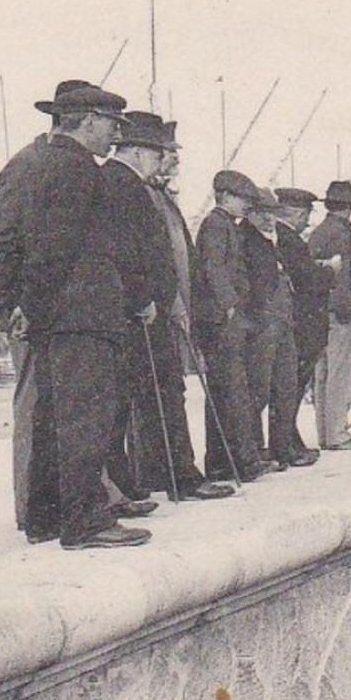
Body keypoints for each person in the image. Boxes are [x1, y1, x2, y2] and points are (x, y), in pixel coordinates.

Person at [18, 83, 156, 550]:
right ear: (91, 120)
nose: (115, 135)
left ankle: (45, 518)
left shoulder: (43, 164)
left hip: (59, 314)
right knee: (84, 417)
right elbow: (76, 249)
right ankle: (86, 521)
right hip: (84, 313)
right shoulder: (79, 171)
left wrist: (36, 309)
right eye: (112, 125)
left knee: (52, 416)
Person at [0, 78, 96, 536]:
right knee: (37, 407)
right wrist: (20, 305)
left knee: (46, 407)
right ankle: (37, 513)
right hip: (33, 310)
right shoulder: (32, 165)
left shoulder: (39, 161)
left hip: (40, 305)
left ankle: (47, 512)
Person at [99, 111, 235, 507]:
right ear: (140, 152)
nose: (166, 162)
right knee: (155, 393)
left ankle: (149, 478)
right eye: (161, 155)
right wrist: (150, 299)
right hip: (144, 311)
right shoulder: (124, 186)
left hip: (155, 307)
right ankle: (175, 477)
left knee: (157, 392)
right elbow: (133, 252)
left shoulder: (144, 189)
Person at [141, 119, 235, 501]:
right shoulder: (146, 195)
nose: (175, 161)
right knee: (162, 394)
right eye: (170, 154)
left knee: (170, 391)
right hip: (159, 311)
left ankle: (175, 472)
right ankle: (177, 474)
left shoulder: (162, 196)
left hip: (174, 310)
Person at [195, 169, 268, 481]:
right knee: (232, 391)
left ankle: (224, 462)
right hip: (223, 320)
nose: (246, 206)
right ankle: (239, 462)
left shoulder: (225, 225)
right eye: (242, 199)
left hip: (226, 318)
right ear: (224, 196)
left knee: (228, 390)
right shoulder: (216, 225)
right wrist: (229, 307)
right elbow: (213, 268)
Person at [239, 188, 303, 470]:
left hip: (282, 321)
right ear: (249, 212)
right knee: (259, 388)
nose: (268, 219)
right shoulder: (245, 239)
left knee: (285, 386)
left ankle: (282, 447)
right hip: (263, 323)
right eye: (262, 213)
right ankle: (255, 449)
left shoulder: (271, 240)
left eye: (272, 213)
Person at [272, 187, 336, 463]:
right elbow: (307, 280)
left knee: (293, 386)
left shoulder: (284, 239)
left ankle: (289, 440)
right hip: (303, 324)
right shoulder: (290, 240)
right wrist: (329, 270)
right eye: (305, 215)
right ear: (296, 213)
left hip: (300, 323)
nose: (307, 221)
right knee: (292, 387)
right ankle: (285, 443)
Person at [308, 180, 351, 451]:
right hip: (339, 314)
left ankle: (325, 433)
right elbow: (342, 279)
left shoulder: (319, 232)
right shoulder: (340, 236)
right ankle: (338, 434)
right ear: (348, 208)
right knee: (342, 374)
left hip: (320, 313)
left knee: (323, 374)